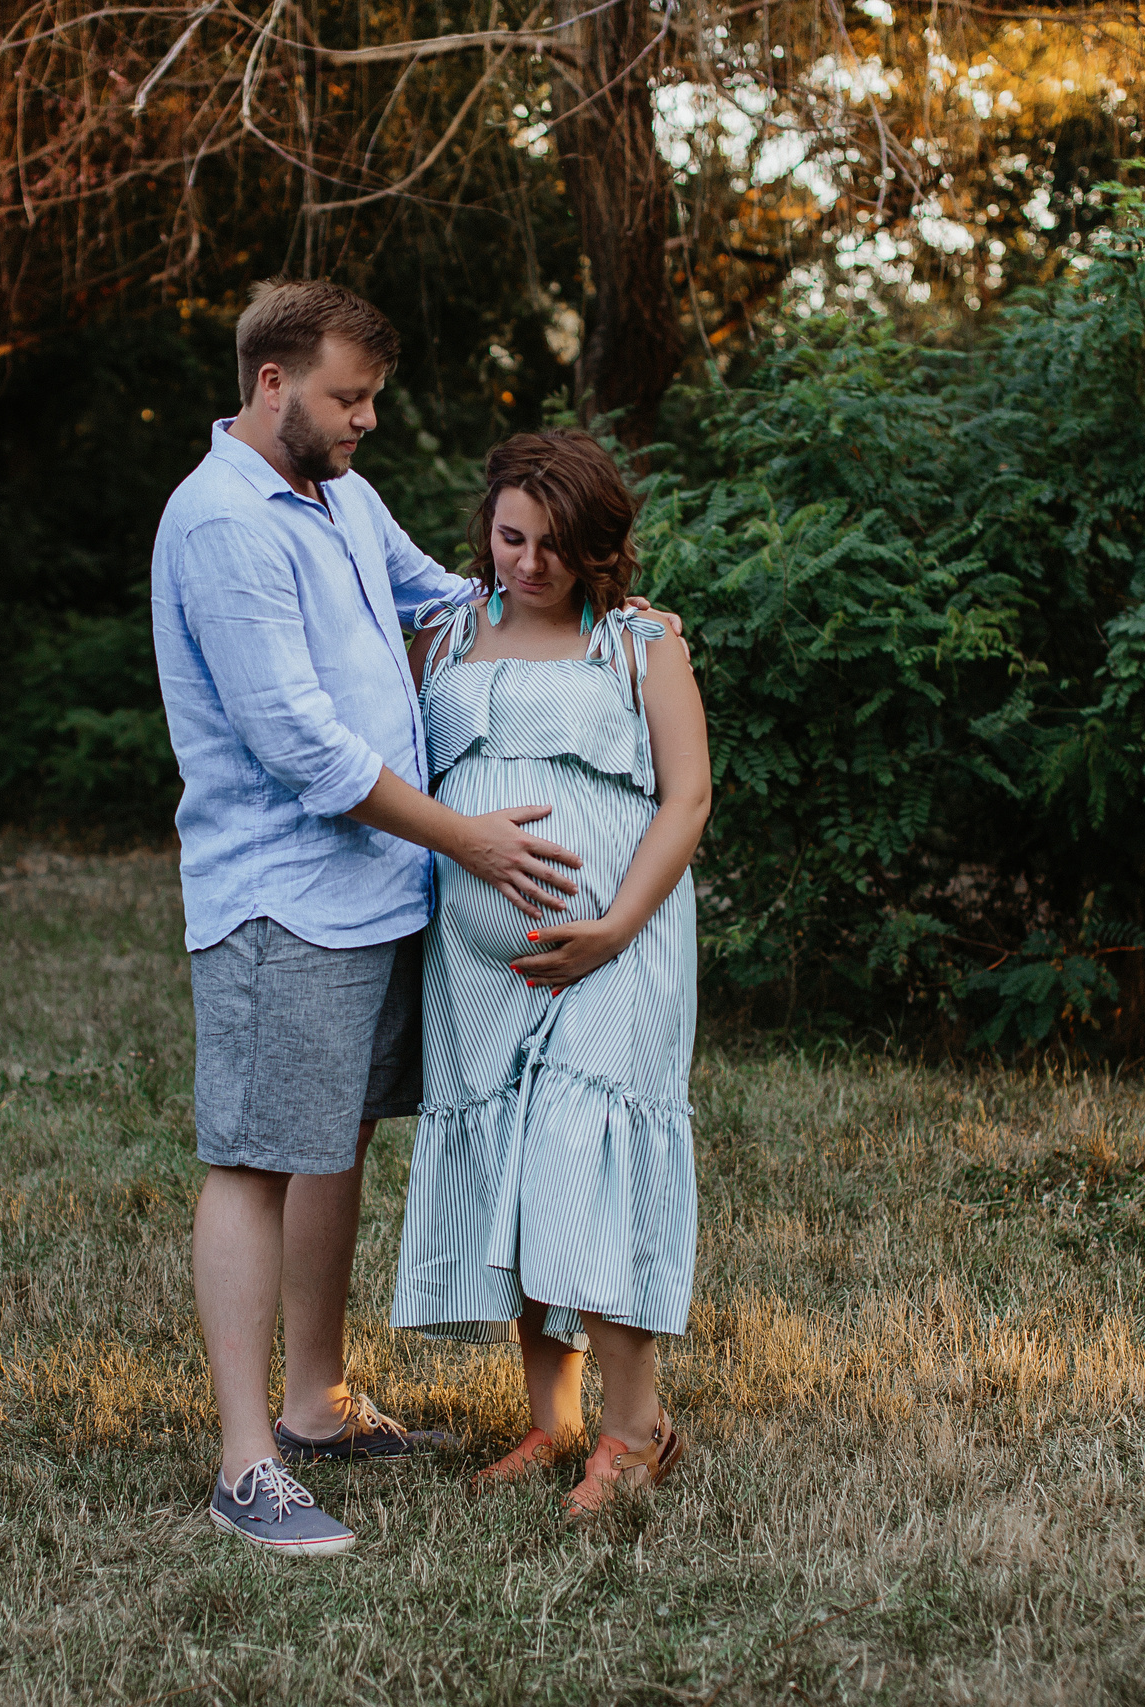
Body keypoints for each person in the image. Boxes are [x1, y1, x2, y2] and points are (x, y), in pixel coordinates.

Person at [152, 281, 598, 1557]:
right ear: (274, 383)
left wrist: (606, 621)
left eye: (374, 400)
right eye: (350, 399)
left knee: (332, 1135)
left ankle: (314, 1403)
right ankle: (247, 1466)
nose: (367, 422)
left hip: (366, 895)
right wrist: (466, 839)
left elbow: (444, 599)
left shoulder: (340, 497)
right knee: (251, 1154)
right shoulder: (222, 524)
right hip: (275, 896)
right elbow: (297, 742)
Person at [389, 430, 710, 1516]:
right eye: (511, 536)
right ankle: (551, 1419)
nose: (528, 563)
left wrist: (615, 925)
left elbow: (689, 798)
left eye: (554, 546)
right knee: (519, 1169)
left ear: (595, 548)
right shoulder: (440, 637)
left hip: (616, 944)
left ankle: (634, 1432)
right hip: (479, 964)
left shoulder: (637, 644)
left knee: (586, 1152)